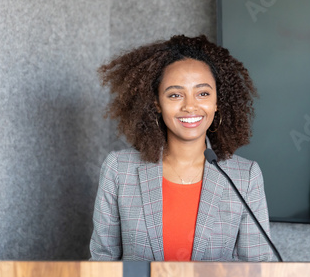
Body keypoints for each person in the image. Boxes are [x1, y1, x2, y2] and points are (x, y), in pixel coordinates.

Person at [89, 35, 274, 261]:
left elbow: (259, 269)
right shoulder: (119, 170)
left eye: (203, 93)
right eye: (175, 95)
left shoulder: (244, 177)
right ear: (157, 102)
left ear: (217, 102)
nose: (190, 106)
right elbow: (101, 263)